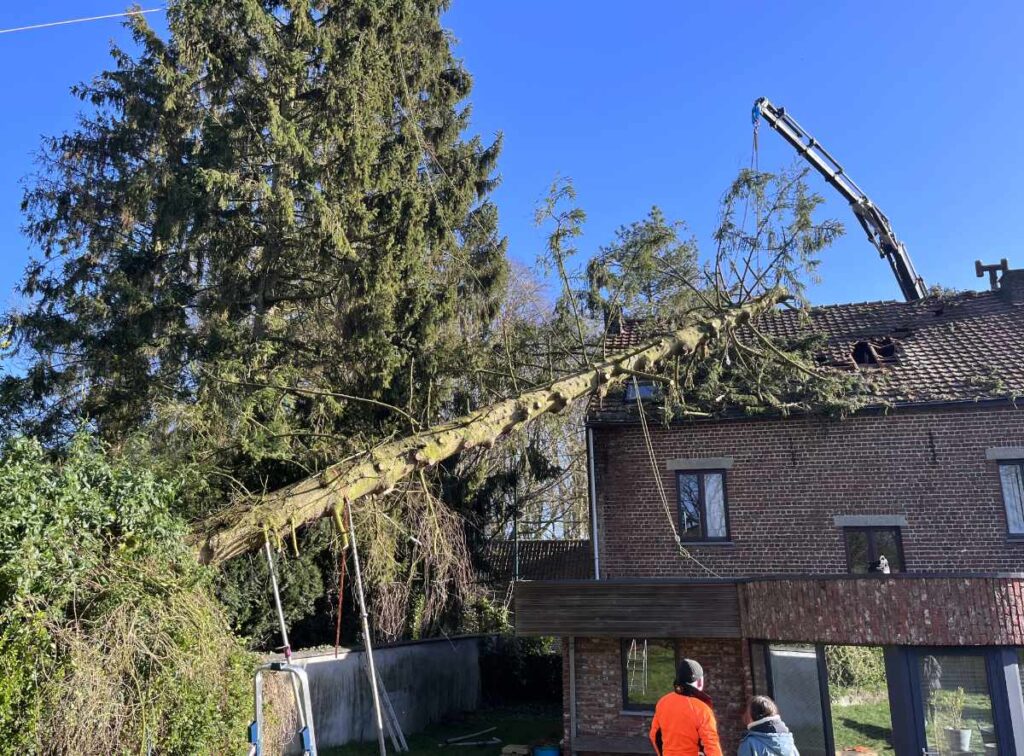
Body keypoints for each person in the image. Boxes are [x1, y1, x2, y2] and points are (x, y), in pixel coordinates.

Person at [649, 658, 722, 756]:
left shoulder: (663, 702)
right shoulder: (702, 709)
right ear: (700, 682)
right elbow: (711, 745)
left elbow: (654, 736)